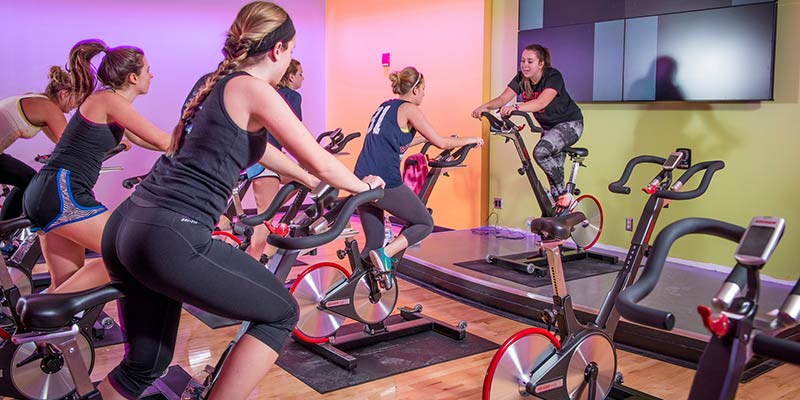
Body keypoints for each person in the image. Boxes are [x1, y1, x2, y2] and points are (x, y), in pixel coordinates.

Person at [97, 3, 383, 399]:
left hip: (130, 224)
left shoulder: (215, 83)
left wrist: (301, 178)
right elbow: (318, 158)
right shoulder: (255, 89)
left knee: (143, 366)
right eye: (293, 50)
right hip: (171, 233)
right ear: (279, 49)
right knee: (281, 313)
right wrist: (365, 185)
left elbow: (256, 147)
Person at [21, 39, 170, 293]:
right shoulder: (109, 100)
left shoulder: (108, 103)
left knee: (66, 285)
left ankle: (37, 325)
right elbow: (163, 140)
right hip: (61, 191)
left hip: (47, 192)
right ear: (133, 77)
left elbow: (152, 142)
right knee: (126, 253)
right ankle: (38, 314)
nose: (152, 74)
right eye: (147, 69)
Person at [354, 66, 483, 290]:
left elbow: (396, 141)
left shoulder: (385, 106)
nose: (424, 94)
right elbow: (442, 143)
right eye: (423, 90)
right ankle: (386, 254)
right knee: (424, 223)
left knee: (371, 243)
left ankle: (354, 290)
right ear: (415, 90)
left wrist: (430, 140)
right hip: (385, 180)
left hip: (360, 178)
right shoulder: (410, 109)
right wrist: (469, 139)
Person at [471, 43, 583, 213]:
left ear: (541, 64)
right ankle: (559, 225)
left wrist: (515, 107)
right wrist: (484, 107)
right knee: (553, 184)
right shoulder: (521, 80)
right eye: (523, 61)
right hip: (549, 129)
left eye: (530, 61)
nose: (524, 65)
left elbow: (541, 103)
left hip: (570, 124)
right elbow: (502, 99)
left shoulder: (553, 76)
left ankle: (566, 194)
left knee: (541, 152)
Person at [243, 58, 304, 261]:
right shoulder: (292, 96)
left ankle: (259, 258)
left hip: (260, 159)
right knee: (264, 219)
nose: (303, 78)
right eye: (300, 74)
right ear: (291, 76)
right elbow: (293, 133)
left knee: (300, 183)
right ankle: (253, 267)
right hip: (265, 161)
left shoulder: (273, 93)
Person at [0, 66, 78, 222]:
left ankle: (4, 230)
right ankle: (3, 231)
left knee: (28, 179)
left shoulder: (37, 100)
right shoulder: (49, 108)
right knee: (30, 180)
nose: (76, 106)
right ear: (63, 94)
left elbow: (59, 141)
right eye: (78, 100)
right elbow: (70, 144)